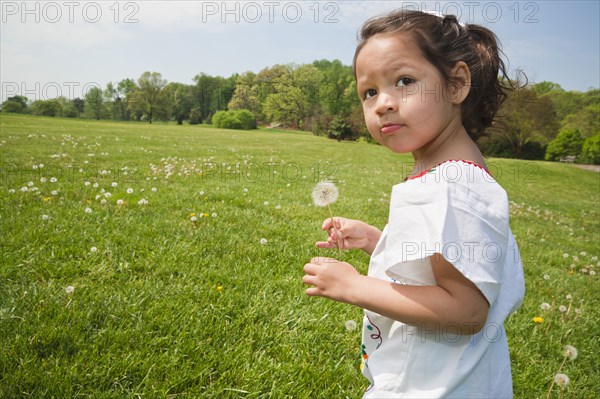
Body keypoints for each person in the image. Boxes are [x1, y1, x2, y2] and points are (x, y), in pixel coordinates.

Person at [302, 9, 525, 398]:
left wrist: (354, 286)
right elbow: (442, 265)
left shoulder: (452, 186)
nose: (382, 103)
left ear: (456, 84)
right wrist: (378, 241)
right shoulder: (451, 176)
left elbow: (466, 310)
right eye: (369, 92)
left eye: (404, 81)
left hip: (433, 386)